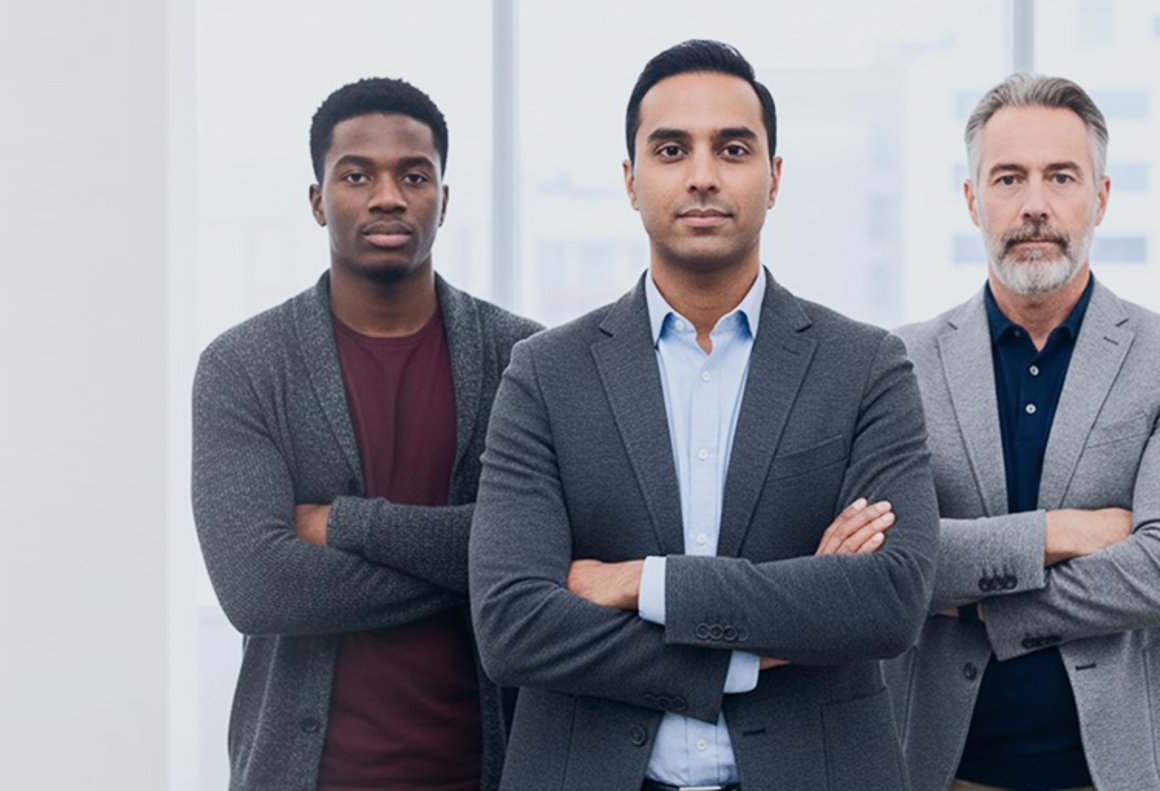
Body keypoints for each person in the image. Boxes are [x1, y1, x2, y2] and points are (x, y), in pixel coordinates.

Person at [468, 40, 937, 790]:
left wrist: (640, 583)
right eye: (670, 149)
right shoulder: (545, 374)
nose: (702, 175)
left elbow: (888, 600)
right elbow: (514, 626)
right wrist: (758, 641)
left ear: (774, 177)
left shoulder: (865, 367)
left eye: (733, 148)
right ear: (630, 179)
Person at [191, 77, 542, 791]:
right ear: (318, 198)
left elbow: (552, 547)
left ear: (444, 199)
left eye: (414, 175)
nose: (388, 195)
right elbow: (258, 589)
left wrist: (345, 523)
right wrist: (492, 564)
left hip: (490, 769)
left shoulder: (524, 361)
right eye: (357, 174)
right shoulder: (246, 366)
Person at [889, 73, 1160, 791]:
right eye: (1008, 178)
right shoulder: (899, 363)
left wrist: (978, 602)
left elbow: (1156, 569)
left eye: (1060, 177)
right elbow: (891, 561)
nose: (1034, 205)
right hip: (941, 772)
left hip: (1116, 772)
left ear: (1099, 197)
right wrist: (1060, 531)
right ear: (973, 199)